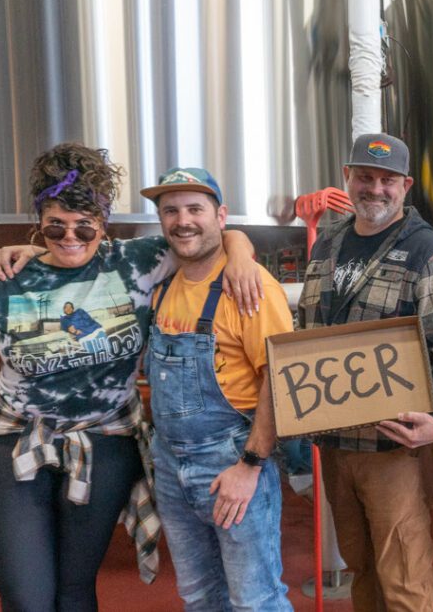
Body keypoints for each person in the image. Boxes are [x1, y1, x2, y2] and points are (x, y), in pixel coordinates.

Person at [0, 143, 258, 610]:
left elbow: (214, 233)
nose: (70, 237)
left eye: (84, 226)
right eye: (55, 226)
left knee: (75, 590)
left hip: (106, 441)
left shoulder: (135, 260)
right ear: (39, 222)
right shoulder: (7, 279)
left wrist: (240, 254)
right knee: (27, 596)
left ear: (103, 223)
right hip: (16, 442)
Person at [297, 133, 433, 612]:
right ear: (346, 178)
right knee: (362, 569)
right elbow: (308, 335)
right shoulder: (326, 246)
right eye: (365, 177)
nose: (375, 188)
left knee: (405, 579)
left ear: (406, 185)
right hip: (334, 442)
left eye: (387, 180)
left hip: (393, 445)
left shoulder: (428, 251)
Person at [140, 167, 295, 610]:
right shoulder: (163, 284)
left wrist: (249, 466)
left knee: (255, 600)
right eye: (170, 210)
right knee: (200, 596)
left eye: (195, 208)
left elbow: (279, 382)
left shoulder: (250, 287)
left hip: (231, 462)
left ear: (221, 216)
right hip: (170, 466)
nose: (182, 220)